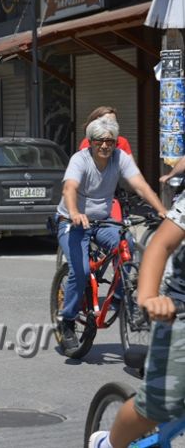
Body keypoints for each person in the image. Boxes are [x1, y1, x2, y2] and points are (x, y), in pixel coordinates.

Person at [55, 116, 167, 354]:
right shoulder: (80, 159)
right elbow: (70, 188)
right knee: (81, 270)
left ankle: (119, 298)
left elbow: (141, 186)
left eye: (110, 141)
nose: (105, 146)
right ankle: (67, 320)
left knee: (128, 245)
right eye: (100, 141)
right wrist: (74, 212)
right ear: (91, 142)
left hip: (103, 222)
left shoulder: (120, 158)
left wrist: (162, 211)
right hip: (72, 222)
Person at [87, 193, 185, 448]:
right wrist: (150, 296)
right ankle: (109, 444)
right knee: (158, 406)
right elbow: (160, 246)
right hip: (179, 312)